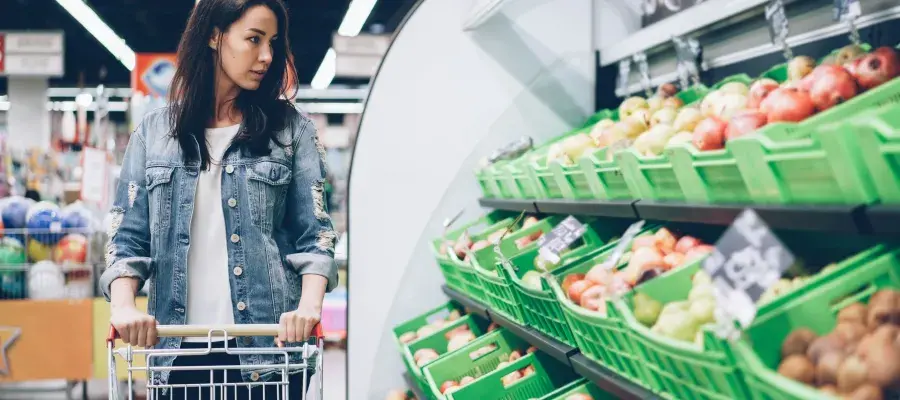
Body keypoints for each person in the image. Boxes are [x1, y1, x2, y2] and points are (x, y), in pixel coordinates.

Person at [98, 0, 338, 398]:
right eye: (253, 39)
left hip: (268, 351)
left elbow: (315, 236)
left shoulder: (291, 131)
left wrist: (309, 306)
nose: (266, 56)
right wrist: (123, 306)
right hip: (177, 352)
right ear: (214, 34)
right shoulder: (154, 134)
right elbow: (127, 238)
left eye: (273, 43)